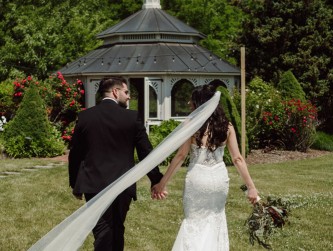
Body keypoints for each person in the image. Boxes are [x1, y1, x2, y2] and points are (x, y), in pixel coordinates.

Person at [152, 84, 258, 250]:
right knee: (216, 219)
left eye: (192, 100)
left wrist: (162, 184)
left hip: (198, 179)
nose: (188, 103)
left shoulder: (192, 125)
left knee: (193, 222)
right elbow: (237, 158)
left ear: (200, 103)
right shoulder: (227, 126)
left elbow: (180, 157)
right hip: (219, 180)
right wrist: (251, 188)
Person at [68, 77, 165, 251]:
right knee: (117, 229)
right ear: (115, 92)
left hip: (93, 184)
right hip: (123, 184)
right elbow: (146, 152)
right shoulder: (131, 117)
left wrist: (75, 184)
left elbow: (75, 154)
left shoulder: (85, 116)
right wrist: (156, 179)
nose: (129, 97)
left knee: (102, 230)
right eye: (126, 92)